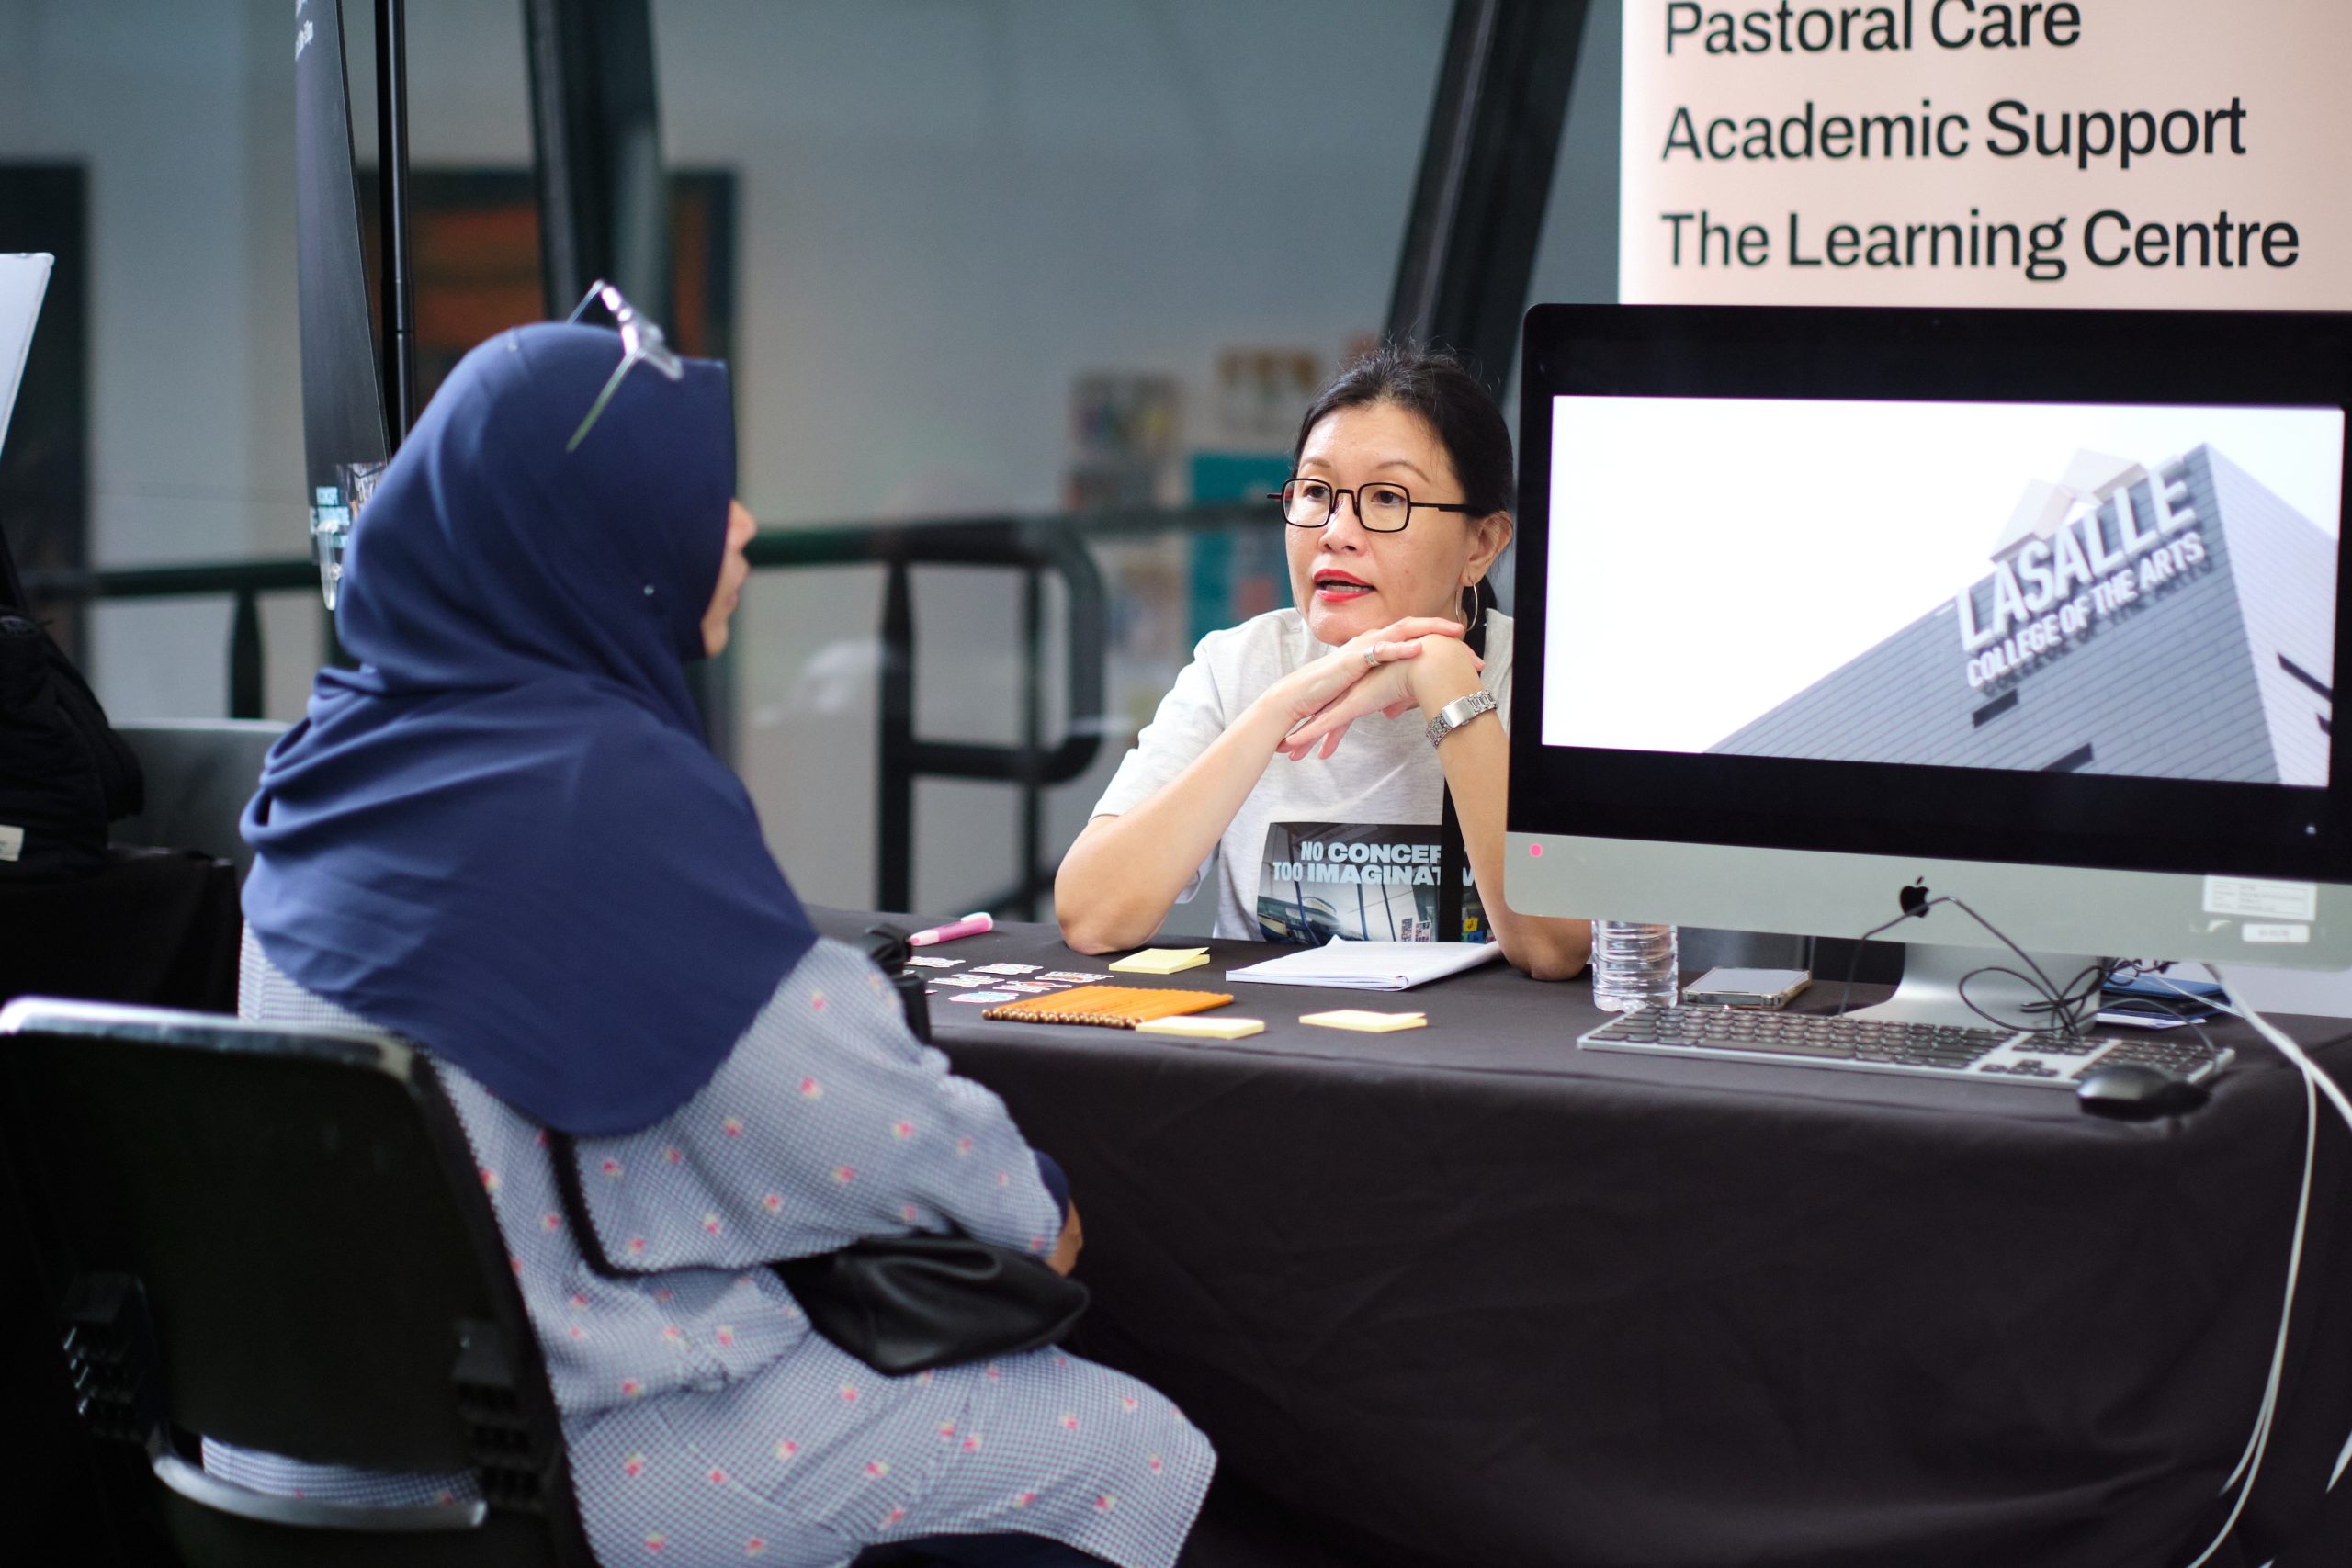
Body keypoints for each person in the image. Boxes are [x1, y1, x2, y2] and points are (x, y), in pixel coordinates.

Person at [217, 319, 1212, 1568]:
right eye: (695, 494)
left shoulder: (330, 765)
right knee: (1130, 1443)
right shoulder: (600, 793)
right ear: (593, 528)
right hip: (563, 1462)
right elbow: (830, 1105)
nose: (739, 526)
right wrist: (1029, 1203)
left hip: (294, 1459)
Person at [1057, 345, 1589, 979]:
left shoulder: (1544, 682)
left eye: (1388, 498)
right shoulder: (1238, 666)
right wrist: (1278, 707)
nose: (1336, 530)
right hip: (1273, 1061)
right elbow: (1092, 914)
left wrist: (1442, 677)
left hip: (1465, 1068)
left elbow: (1555, 947)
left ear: (1481, 544)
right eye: (1315, 492)